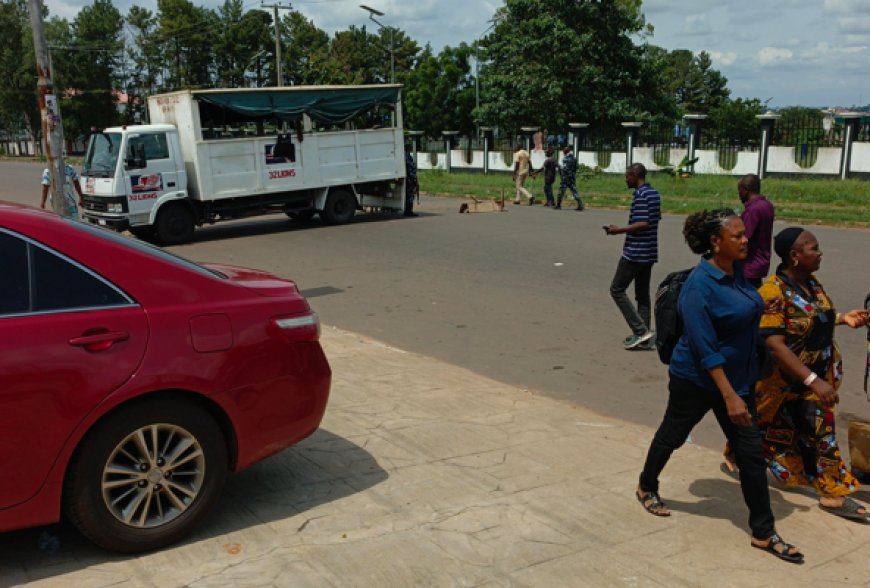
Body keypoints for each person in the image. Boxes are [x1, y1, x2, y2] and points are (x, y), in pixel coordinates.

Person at [636, 209, 803, 564]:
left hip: (738, 380)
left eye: (744, 234)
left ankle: (763, 532)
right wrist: (730, 397)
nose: (745, 240)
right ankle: (646, 485)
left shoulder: (737, 272)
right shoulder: (699, 286)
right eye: (737, 235)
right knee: (673, 434)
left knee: (751, 456)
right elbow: (704, 348)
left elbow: (749, 315)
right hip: (696, 380)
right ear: (715, 242)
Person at [751, 227, 870, 520]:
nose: (820, 253)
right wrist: (813, 380)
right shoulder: (773, 292)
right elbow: (775, 345)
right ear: (794, 255)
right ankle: (738, 454)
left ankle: (832, 493)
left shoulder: (811, 284)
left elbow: (811, 318)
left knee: (820, 430)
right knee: (763, 423)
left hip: (813, 379)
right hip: (782, 382)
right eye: (813, 248)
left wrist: (843, 318)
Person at [605, 163, 660, 349]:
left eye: (627, 176)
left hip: (636, 252)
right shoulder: (653, 193)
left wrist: (618, 230)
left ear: (635, 176)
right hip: (650, 251)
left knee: (616, 289)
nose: (625, 179)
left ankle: (640, 330)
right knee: (642, 294)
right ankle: (645, 337)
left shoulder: (641, 195)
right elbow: (654, 220)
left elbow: (643, 223)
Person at [738, 174, 775, 288]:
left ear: (746, 189)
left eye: (740, 190)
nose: (739, 194)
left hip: (749, 264)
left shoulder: (752, 210)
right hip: (761, 262)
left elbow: (744, 237)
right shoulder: (767, 205)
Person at [555, 146, 583, 210]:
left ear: (565, 151)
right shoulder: (574, 158)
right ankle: (580, 205)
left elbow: (564, 169)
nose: (563, 152)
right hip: (572, 177)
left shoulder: (565, 159)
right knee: (574, 191)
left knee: (561, 192)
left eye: (563, 151)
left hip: (565, 178)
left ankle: (558, 205)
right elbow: (576, 168)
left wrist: (562, 175)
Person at [404, 144, 419, 217]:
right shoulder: (408, 157)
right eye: (410, 147)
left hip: (408, 179)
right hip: (410, 179)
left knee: (409, 196)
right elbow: (411, 170)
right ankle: (408, 211)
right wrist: (415, 180)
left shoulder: (406, 156)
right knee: (410, 196)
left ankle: (408, 210)